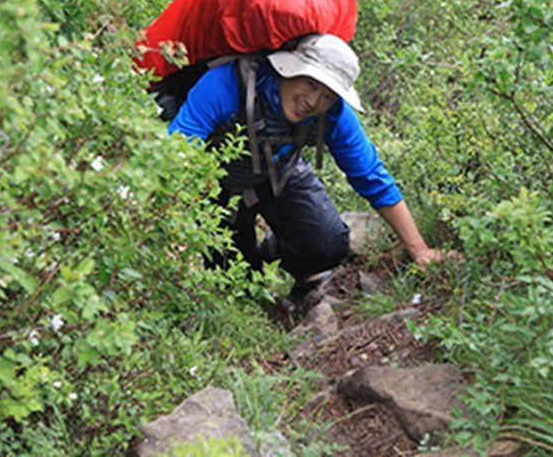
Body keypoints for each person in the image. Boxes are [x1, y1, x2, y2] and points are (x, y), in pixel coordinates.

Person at [167, 33, 446, 302]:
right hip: (216, 185)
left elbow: (371, 176)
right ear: (288, 69)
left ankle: (274, 246)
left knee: (328, 246)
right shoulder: (227, 84)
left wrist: (420, 251)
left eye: (327, 95)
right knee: (236, 285)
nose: (313, 102)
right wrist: (172, 225)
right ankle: (251, 260)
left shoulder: (335, 116)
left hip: (278, 173)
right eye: (311, 84)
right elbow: (177, 152)